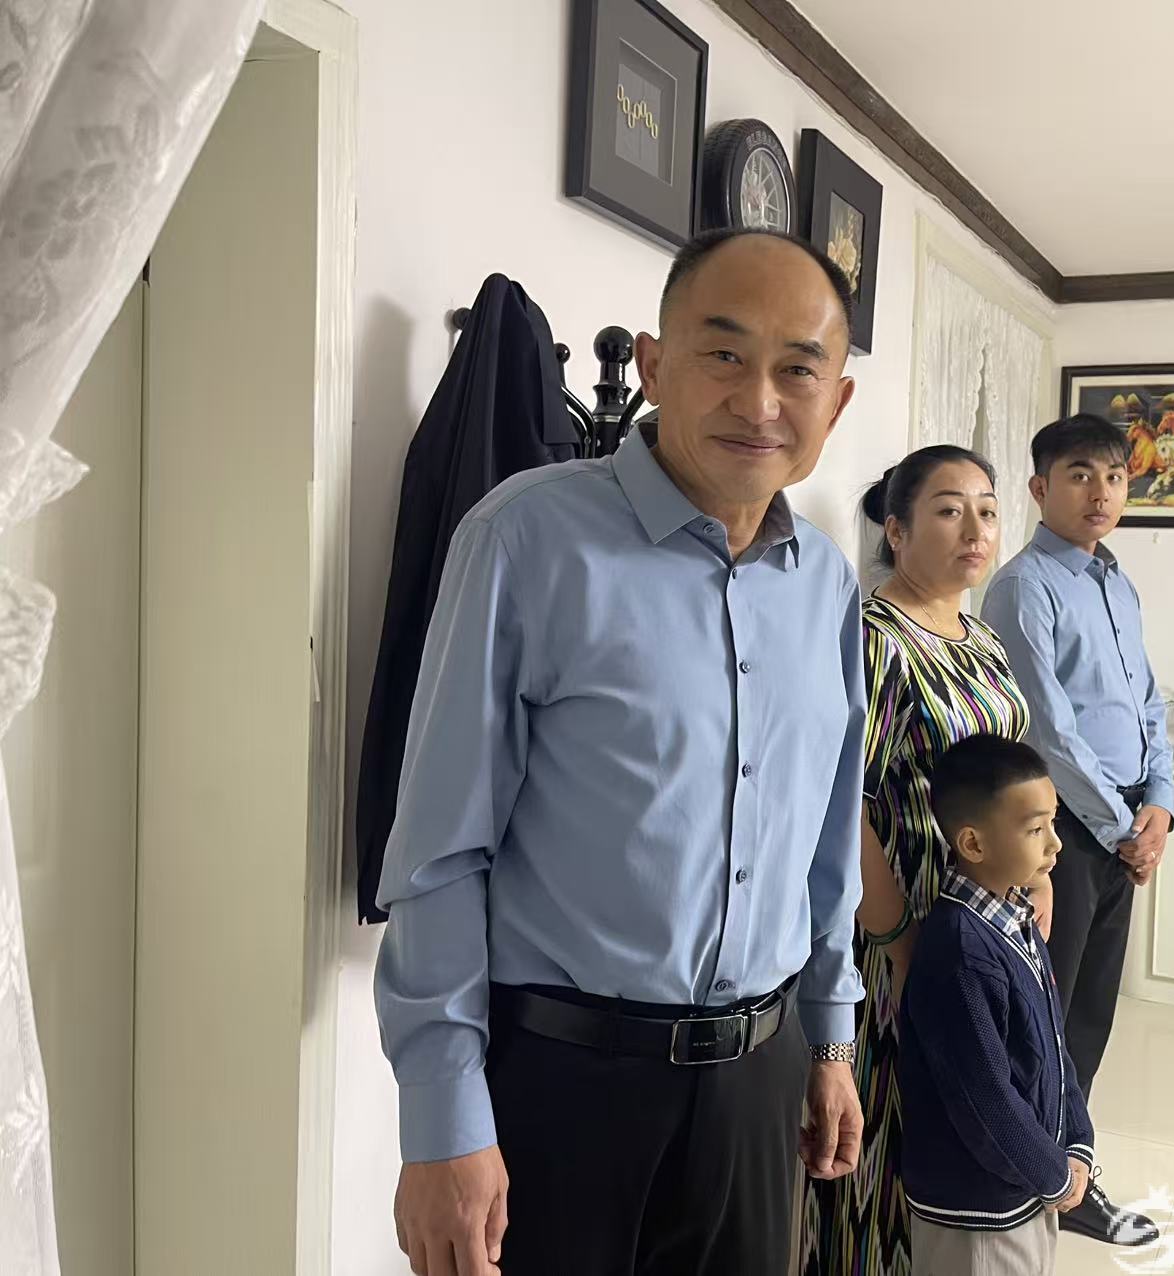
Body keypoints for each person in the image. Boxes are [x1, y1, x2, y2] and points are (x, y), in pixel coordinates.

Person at [377, 228, 868, 1276]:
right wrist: (443, 1117)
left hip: (761, 1079)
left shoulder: (826, 585)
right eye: (723, 353)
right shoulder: (525, 539)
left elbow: (825, 839)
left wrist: (831, 1039)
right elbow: (439, 850)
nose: (759, 402)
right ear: (652, 364)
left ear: (836, 402)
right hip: (565, 1085)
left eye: (797, 370)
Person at [802, 445, 1037, 1276]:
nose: (975, 528)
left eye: (987, 509)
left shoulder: (982, 640)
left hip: (981, 931)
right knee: (889, 1135)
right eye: (948, 509)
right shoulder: (876, 639)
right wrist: (899, 938)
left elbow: (1009, 778)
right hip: (900, 931)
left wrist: (1035, 879)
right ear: (896, 531)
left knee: (963, 1115)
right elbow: (842, 806)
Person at [981, 413, 1172, 1249]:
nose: (1101, 492)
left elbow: (1149, 703)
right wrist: (1124, 826)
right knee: (1043, 1015)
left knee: (1089, 1012)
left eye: (1115, 476)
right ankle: (1028, 1174)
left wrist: (1160, 804)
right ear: (1039, 487)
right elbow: (1048, 729)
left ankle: (1070, 1173)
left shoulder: (1117, 584)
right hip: (1062, 832)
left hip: (1123, 825)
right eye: (1081, 474)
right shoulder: (1024, 586)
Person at [899, 734, 1091, 1276]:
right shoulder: (960, 952)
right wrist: (1053, 1175)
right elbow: (985, 1099)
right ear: (973, 843)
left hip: (1027, 1186)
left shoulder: (1017, 920)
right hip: (978, 1212)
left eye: (1053, 823)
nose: (1056, 845)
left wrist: (1077, 1142)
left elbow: (1053, 1047)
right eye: (1035, 829)